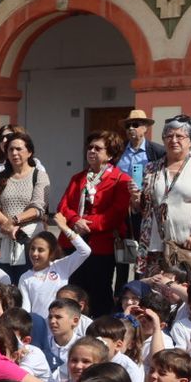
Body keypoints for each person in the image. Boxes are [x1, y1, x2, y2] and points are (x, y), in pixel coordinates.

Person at [137, 114, 191, 279]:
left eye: (179, 136)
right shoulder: (151, 168)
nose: (173, 140)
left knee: (185, 294)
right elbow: (146, 207)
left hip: (187, 247)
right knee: (155, 296)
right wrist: (136, 199)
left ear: (190, 140)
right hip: (156, 247)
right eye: (169, 136)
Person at [55, 130, 131, 315]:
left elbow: (116, 213)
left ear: (110, 154)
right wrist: (75, 220)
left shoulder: (121, 179)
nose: (92, 151)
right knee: (74, 288)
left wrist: (88, 223)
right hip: (73, 242)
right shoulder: (78, 178)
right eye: (90, 147)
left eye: (98, 148)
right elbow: (63, 206)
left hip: (101, 246)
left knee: (99, 290)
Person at [0, 130, 49, 283]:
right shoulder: (0, 176)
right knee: (3, 284)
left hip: (29, 240)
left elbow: (38, 207)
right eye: (10, 149)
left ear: (29, 152)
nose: (14, 153)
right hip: (3, 237)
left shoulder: (39, 175)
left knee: (26, 282)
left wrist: (14, 221)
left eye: (19, 149)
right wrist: (6, 225)